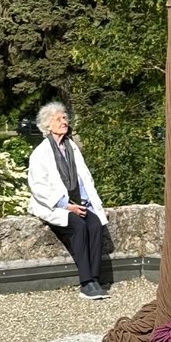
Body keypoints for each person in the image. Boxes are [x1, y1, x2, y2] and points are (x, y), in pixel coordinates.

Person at [27, 101, 110, 300]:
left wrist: (92, 205)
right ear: (48, 126)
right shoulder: (40, 153)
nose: (64, 122)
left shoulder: (71, 147)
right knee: (79, 227)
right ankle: (86, 283)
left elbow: (84, 180)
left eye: (64, 118)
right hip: (55, 205)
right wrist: (66, 205)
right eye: (59, 119)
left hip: (77, 202)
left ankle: (96, 278)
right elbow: (38, 187)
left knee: (95, 224)